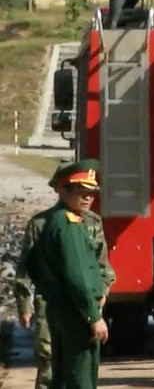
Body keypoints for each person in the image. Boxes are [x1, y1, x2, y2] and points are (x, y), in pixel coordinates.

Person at [14, 161, 116, 389]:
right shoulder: (43, 223)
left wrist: (99, 297)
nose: (89, 199)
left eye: (92, 194)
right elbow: (28, 267)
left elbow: (102, 266)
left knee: (74, 367)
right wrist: (24, 305)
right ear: (62, 190)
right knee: (49, 361)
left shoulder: (92, 222)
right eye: (82, 193)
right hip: (50, 303)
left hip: (84, 304)